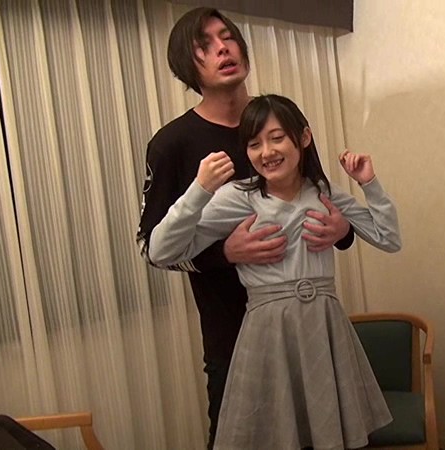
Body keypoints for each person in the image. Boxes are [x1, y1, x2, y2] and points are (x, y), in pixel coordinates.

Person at [135, 8, 354, 448]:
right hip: (232, 334)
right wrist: (224, 254)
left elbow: (317, 198)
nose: (222, 48)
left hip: (306, 327)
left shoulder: (278, 120)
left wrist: (343, 229)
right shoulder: (172, 143)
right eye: (204, 45)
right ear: (187, 65)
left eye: (227, 36)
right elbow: (150, 247)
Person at [149, 94, 400, 449]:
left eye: (277, 138)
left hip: (324, 326)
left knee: (329, 435)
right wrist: (200, 190)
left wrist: (369, 184)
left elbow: (389, 238)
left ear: (304, 137)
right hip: (268, 331)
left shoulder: (324, 194)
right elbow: (161, 250)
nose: (266, 152)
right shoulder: (238, 197)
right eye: (254, 144)